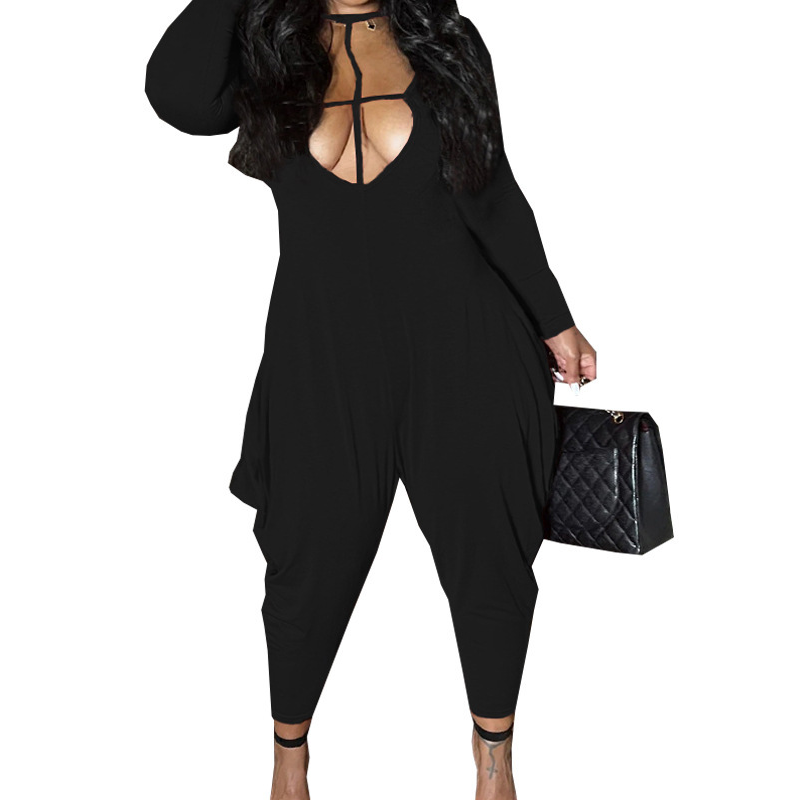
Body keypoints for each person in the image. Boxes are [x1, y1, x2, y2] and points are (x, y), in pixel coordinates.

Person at [145, 1, 597, 797]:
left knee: (489, 560)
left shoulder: (447, 42)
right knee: (305, 566)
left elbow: (493, 193)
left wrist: (555, 319)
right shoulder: (268, 49)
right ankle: (290, 760)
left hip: (466, 344)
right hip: (320, 355)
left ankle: (494, 761)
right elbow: (176, 94)